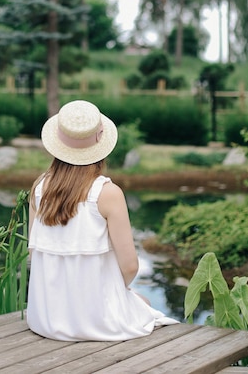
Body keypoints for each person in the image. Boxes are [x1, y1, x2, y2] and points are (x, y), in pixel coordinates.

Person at [27, 99, 179, 341]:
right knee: (144, 303)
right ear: (100, 145)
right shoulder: (107, 193)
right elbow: (130, 266)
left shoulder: (38, 189)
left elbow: (34, 255)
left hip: (45, 319)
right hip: (96, 321)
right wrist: (122, 290)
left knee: (139, 302)